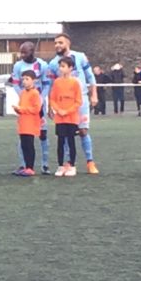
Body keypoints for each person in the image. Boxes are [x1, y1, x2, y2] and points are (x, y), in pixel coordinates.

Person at [47, 33, 99, 175]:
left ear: (68, 43)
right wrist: (49, 105)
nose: (57, 45)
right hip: (62, 104)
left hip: (80, 100)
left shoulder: (80, 56)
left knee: (83, 131)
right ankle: (66, 164)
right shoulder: (53, 63)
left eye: (60, 42)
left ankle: (90, 162)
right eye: (56, 43)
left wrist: (94, 93)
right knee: (64, 134)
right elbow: (52, 86)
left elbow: (90, 76)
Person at [10, 42, 51, 174]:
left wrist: (40, 98)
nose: (22, 55)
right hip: (25, 105)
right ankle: (24, 165)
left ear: (32, 52)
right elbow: (15, 84)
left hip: (38, 104)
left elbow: (46, 84)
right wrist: (22, 96)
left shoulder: (42, 65)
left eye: (24, 52)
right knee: (24, 136)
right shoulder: (18, 66)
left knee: (43, 134)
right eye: (21, 52)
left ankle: (45, 165)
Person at [49, 57, 84, 177]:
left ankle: (72, 165)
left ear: (70, 68)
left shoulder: (75, 83)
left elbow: (78, 101)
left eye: (63, 66)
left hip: (71, 118)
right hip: (60, 118)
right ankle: (60, 165)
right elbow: (52, 99)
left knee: (71, 141)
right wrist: (58, 110)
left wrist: (67, 111)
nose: (61, 69)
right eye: (60, 66)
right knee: (60, 141)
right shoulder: (57, 82)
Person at [12, 70, 43, 176]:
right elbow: (22, 108)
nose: (24, 81)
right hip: (23, 123)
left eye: (27, 79)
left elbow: (36, 109)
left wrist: (22, 109)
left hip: (30, 124)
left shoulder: (35, 93)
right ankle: (26, 166)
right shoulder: (23, 93)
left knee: (29, 145)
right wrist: (17, 109)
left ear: (33, 80)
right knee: (24, 145)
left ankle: (30, 167)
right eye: (23, 79)